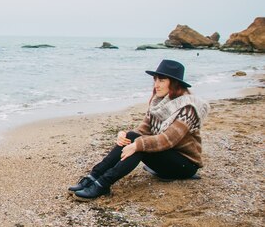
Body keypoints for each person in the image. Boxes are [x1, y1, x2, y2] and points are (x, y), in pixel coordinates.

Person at [68, 59, 210, 200]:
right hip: (166, 157)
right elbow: (143, 130)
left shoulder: (188, 108)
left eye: (161, 80)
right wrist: (123, 135)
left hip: (184, 165)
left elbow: (169, 140)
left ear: (174, 83)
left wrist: (137, 145)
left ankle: (102, 184)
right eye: (155, 80)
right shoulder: (159, 103)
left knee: (140, 145)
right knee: (131, 136)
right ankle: (94, 176)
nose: (156, 85)